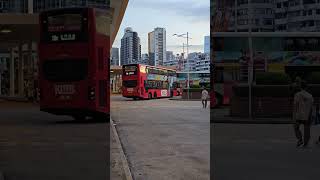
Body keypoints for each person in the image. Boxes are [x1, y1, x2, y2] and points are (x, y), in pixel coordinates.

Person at [293, 80, 314, 148]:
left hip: (299, 114)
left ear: (300, 87)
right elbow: (311, 107)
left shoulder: (297, 94)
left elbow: (295, 106)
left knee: (296, 128)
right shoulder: (310, 96)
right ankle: (306, 143)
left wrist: (294, 115)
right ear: (306, 87)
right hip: (307, 115)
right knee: (307, 130)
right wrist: (311, 116)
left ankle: (300, 139)